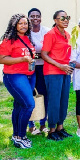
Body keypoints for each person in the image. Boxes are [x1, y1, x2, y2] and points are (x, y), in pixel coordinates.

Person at [0, 14, 36, 148]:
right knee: (29, 105)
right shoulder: (9, 40)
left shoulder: (27, 38)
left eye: (25, 23)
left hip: (29, 76)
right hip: (14, 76)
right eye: (20, 23)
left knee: (19, 105)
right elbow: (1, 58)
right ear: (14, 25)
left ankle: (16, 135)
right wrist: (22, 59)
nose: (23, 26)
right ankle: (21, 136)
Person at [41, 10, 74, 141]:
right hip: (53, 72)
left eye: (67, 18)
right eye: (62, 18)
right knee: (54, 101)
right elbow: (44, 54)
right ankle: (52, 130)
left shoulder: (67, 35)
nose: (66, 20)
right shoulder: (50, 34)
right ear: (55, 20)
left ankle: (60, 127)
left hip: (66, 71)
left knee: (63, 100)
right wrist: (60, 66)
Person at [27, 8, 50, 135]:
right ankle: (31, 125)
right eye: (32, 16)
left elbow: (50, 51)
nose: (35, 18)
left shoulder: (46, 31)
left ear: (41, 18)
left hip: (44, 68)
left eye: (37, 16)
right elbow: (26, 54)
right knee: (30, 94)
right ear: (28, 18)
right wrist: (41, 55)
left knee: (43, 95)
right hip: (29, 68)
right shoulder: (26, 33)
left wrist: (39, 55)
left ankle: (42, 124)